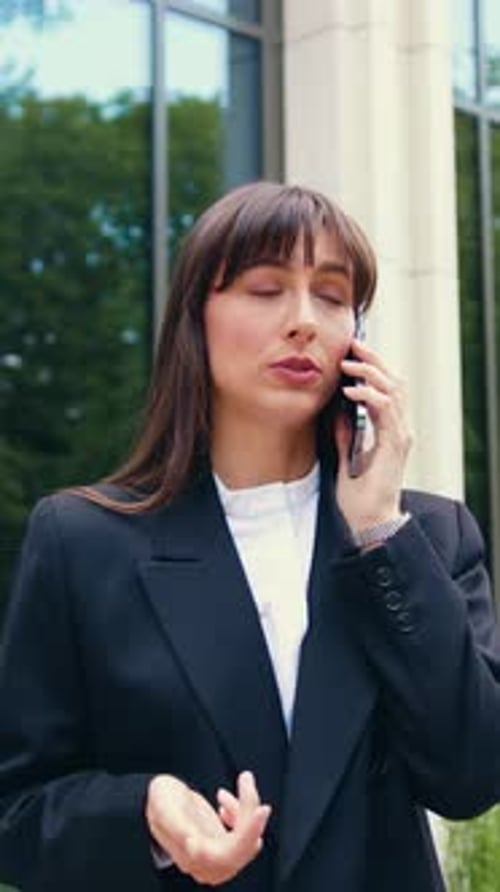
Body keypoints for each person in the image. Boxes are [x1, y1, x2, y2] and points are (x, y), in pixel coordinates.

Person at [0, 181, 499, 892]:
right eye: (266, 289)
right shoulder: (83, 541)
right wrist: (142, 810)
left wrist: (380, 532)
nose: (303, 322)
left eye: (331, 297)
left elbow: (471, 775)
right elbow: (16, 813)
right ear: (195, 318)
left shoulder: (426, 538)